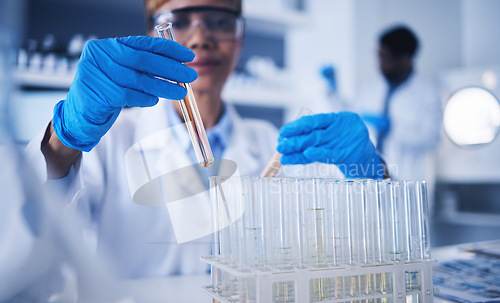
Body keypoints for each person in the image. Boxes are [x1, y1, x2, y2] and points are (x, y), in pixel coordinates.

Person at [23, 0, 385, 281]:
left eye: (219, 21)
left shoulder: (276, 147)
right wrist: (62, 140)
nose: (200, 38)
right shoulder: (108, 142)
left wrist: (372, 174)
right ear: (152, 32)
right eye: (178, 21)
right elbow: (21, 245)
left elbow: (364, 252)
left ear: (240, 35)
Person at [354, 25, 442, 190]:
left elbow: (431, 139)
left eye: (384, 57)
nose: (379, 64)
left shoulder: (428, 92)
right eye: (378, 56)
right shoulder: (370, 87)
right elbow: (353, 116)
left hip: (406, 180)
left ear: (404, 59)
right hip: (369, 178)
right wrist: (332, 93)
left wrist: (393, 129)